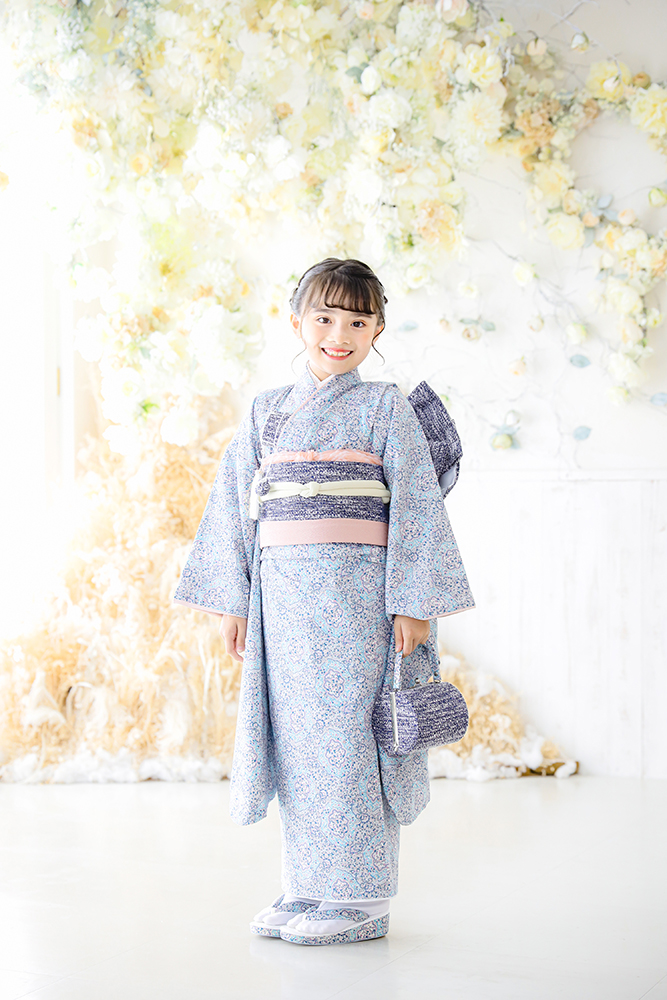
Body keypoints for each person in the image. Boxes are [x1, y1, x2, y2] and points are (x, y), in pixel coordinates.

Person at [173, 258, 475, 946]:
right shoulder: (266, 411)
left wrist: (413, 602)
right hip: (283, 604)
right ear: (296, 322)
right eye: (325, 317)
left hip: (360, 602)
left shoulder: (385, 407)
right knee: (296, 742)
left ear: (377, 331)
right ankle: (309, 884)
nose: (340, 335)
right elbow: (235, 506)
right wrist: (233, 601)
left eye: (358, 322)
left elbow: (417, 504)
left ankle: (360, 896)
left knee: (351, 739)